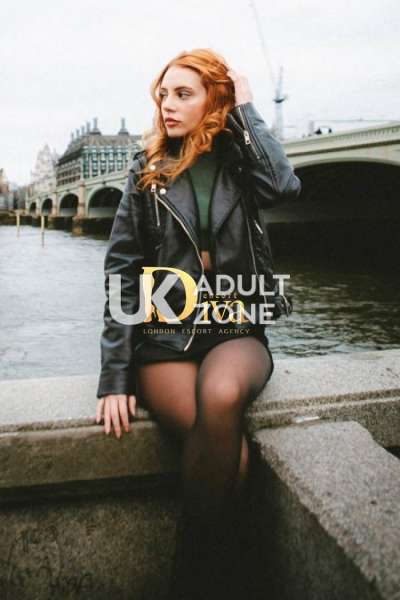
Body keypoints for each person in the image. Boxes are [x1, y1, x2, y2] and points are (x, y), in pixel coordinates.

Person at [95, 48, 301, 598]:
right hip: (166, 338)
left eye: (183, 94)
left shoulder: (242, 161)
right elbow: (123, 272)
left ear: (215, 100)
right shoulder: (146, 171)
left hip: (236, 328)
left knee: (224, 391)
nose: (167, 104)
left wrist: (247, 109)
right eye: (163, 94)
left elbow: (284, 188)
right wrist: (115, 375)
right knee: (232, 456)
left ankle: (190, 581)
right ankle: (216, 579)